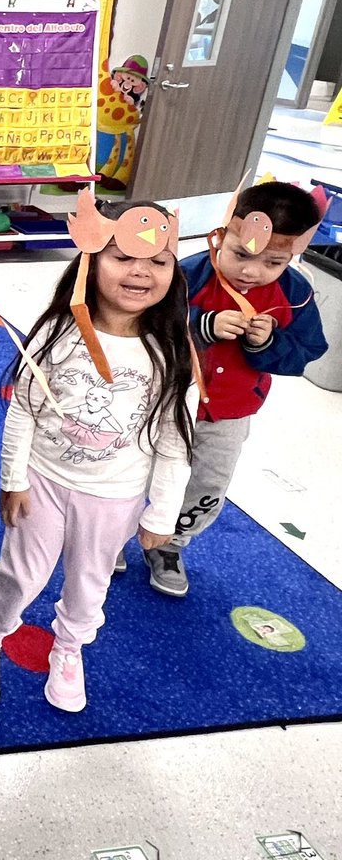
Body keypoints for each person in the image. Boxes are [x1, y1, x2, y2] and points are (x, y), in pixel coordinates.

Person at [0, 194, 195, 714]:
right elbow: (22, 409)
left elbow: (176, 442)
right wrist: (13, 479)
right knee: (20, 574)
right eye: (123, 256)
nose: (140, 273)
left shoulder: (173, 350)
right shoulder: (56, 333)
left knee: (90, 585)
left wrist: (162, 513)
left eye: (157, 261)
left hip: (115, 496)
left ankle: (69, 649)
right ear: (90, 260)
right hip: (43, 480)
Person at [146, 181, 328, 595]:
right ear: (221, 234)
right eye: (241, 254)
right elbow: (144, 327)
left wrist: (268, 344)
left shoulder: (294, 293)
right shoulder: (185, 274)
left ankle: (171, 543)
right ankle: (118, 531)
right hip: (165, 398)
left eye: (273, 262)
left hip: (232, 410)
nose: (251, 271)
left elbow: (309, 350)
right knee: (141, 467)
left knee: (209, 480)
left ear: (293, 255)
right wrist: (201, 326)